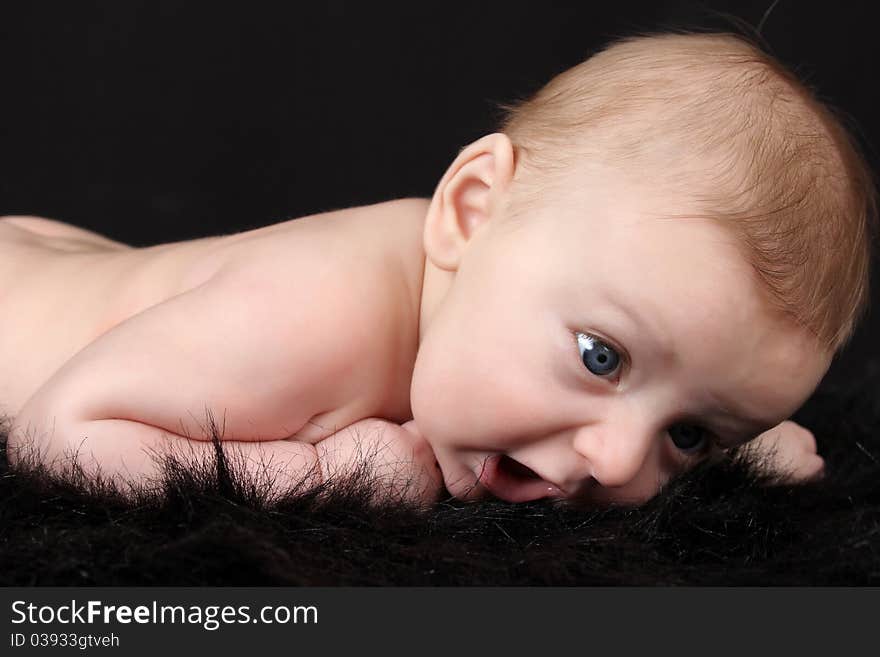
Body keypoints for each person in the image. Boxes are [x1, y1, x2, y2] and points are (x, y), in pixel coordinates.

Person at [2, 30, 875, 508]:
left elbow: (691, 353)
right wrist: (317, 478)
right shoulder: (314, 313)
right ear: (468, 211)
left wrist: (737, 453)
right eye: (600, 357)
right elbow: (56, 430)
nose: (615, 463)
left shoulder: (567, 309)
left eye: (689, 433)